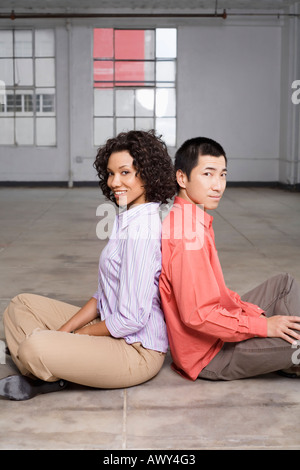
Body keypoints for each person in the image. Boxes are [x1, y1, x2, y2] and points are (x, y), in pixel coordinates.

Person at [1, 130, 176, 400]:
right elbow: (102, 294)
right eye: (110, 173)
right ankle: (53, 371)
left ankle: (43, 367)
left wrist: (76, 337)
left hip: (135, 350)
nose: (114, 181)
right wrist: (65, 331)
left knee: (34, 346)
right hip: (108, 324)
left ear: (148, 174)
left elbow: (131, 319)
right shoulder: (127, 217)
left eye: (125, 172)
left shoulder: (142, 230)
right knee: (19, 305)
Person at [159, 136, 300, 382]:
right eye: (208, 174)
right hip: (211, 355)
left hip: (219, 329)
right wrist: (263, 327)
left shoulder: (193, 217)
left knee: (284, 284)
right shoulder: (186, 234)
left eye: (222, 175)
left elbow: (216, 294)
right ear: (182, 178)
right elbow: (198, 316)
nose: (218, 185)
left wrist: (251, 315)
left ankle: (283, 349)